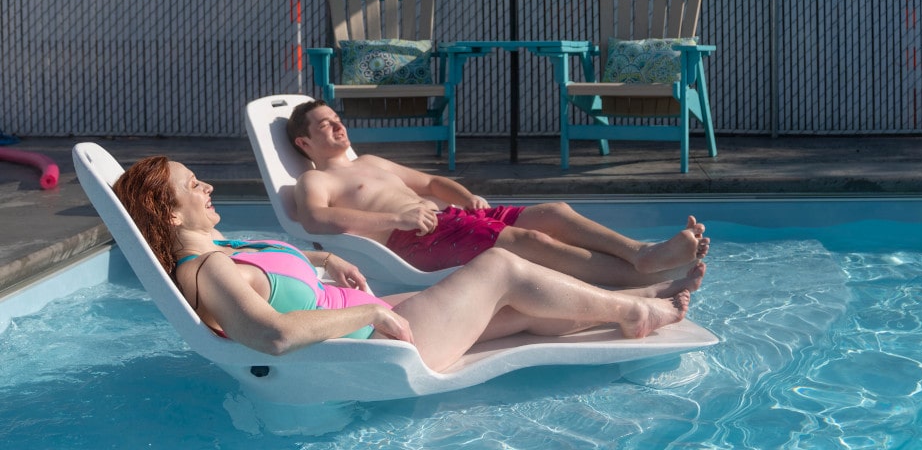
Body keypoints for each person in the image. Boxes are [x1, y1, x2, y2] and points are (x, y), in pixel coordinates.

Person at [113, 156, 702, 372]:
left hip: (379, 322)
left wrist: (319, 257)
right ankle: (635, 309)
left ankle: (636, 293)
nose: (209, 185)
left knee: (530, 316)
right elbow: (268, 335)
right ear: (168, 215)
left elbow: (276, 274)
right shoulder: (210, 271)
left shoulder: (221, 253)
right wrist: (367, 309)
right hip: (377, 344)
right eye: (195, 185)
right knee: (501, 267)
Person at [284, 101, 710, 287]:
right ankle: (648, 275)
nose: (339, 127)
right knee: (531, 242)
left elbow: (432, 185)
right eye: (325, 125)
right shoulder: (314, 181)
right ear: (304, 143)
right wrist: (396, 220)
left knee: (554, 212)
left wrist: (465, 194)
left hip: (450, 218)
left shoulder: (372, 162)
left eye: (337, 119)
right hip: (411, 240)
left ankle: (641, 253)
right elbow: (315, 221)